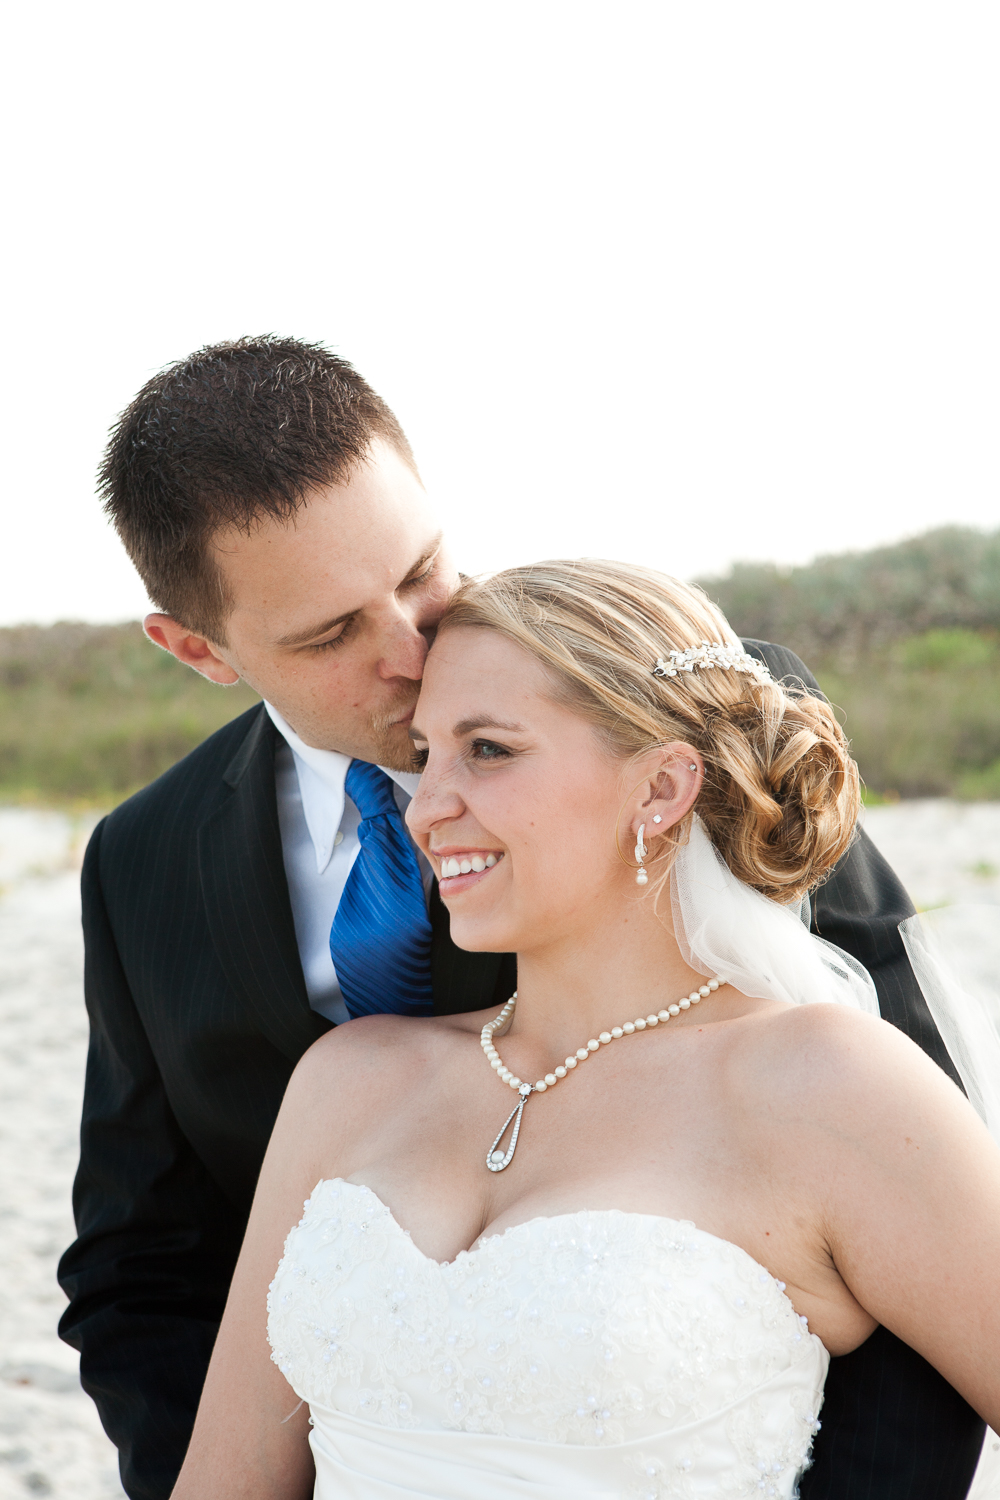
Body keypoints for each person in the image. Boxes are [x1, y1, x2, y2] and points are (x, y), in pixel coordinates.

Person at [58, 338, 987, 1500]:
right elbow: (143, 1265)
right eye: (330, 633)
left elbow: (904, 1218)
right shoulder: (150, 867)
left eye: (421, 571)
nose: (410, 651)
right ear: (197, 649)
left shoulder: (702, 726)